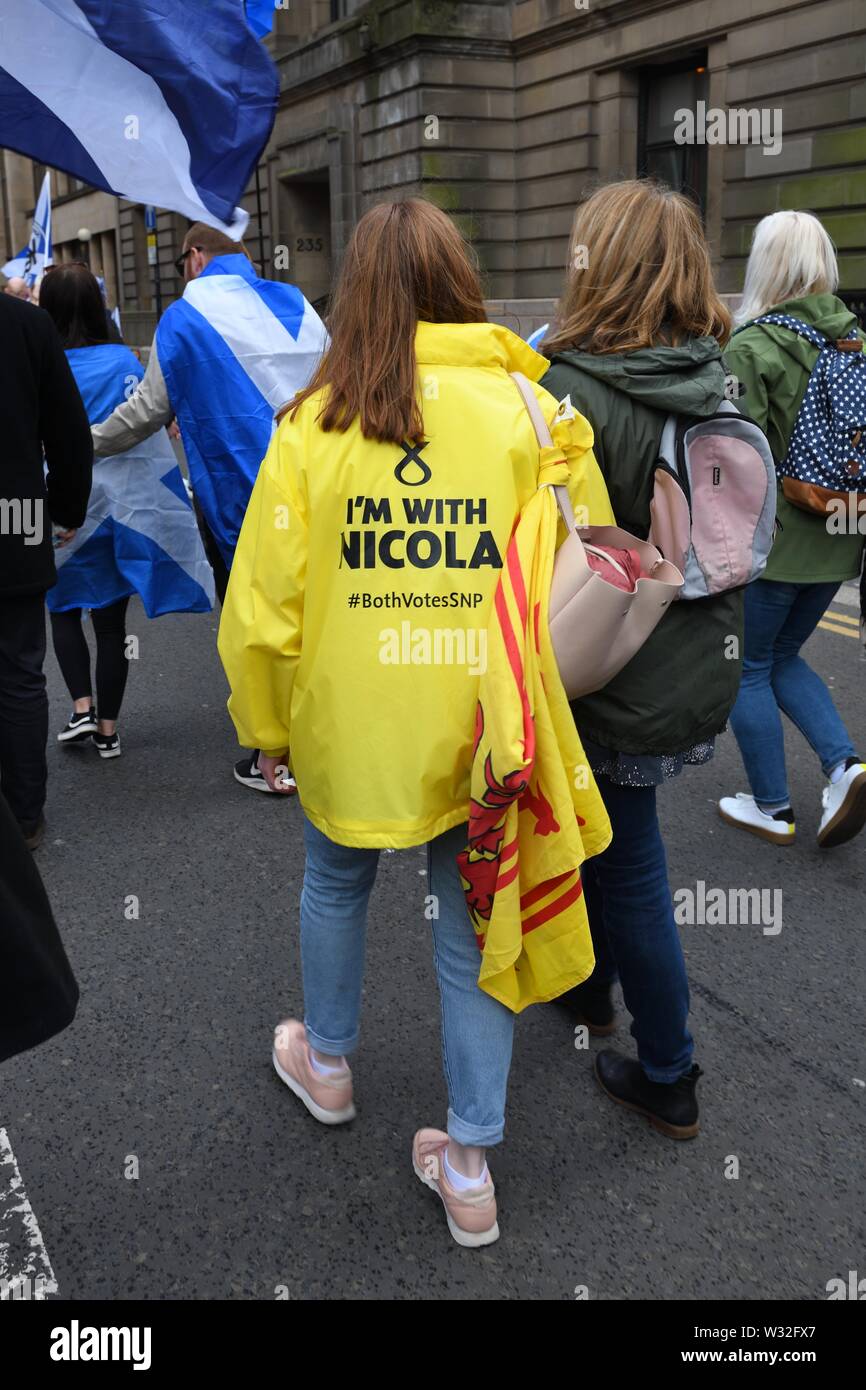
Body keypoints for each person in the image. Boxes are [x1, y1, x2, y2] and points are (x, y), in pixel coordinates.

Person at [218, 198, 613, 1246]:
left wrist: (264, 723)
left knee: (333, 880)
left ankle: (330, 1064)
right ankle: (470, 1161)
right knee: (478, 926)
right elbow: (587, 559)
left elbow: (263, 603)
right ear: (459, 279)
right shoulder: (532, 414)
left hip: (353, 721)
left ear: (357, 293)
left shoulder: (312, 423)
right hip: (490, 725)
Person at [539, 179, 741, 1140]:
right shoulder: (721, 374)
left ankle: (669, 1070)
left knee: (626, 860)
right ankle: (588, 988)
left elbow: (543, 546)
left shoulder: (570, 389)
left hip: (606, 663)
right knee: (612, 838)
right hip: (694, 655)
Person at [90, 223, 328, 791]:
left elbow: (147, 410)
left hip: (242, 497)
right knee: (317, 612)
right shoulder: (296, 303)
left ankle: (272, 752)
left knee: (254, 623)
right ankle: (323, 732)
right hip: (317, 487)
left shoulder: (184, 318)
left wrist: (83, 441)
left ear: (197, 256)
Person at [719, 211, 866, 848]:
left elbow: (727, 458)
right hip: (840, 537)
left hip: (772, 545)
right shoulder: (855, 342)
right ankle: (843, 767)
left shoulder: (751, 348)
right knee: (783, 656)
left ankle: (771, 805)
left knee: (746, 667)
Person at [39, 263, 215, 759]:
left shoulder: (44, 361)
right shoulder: (124, 362)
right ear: (98, 308)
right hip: (120, 513)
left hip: (61, 510)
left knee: (63, 609)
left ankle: (80, 708)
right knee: (112, 624)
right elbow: (146, 430)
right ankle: (110, 730)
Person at [0, 292, 92, 850]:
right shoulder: (28, 325)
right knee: (18, 672)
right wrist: (65, 507)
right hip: (16, 522)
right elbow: (68, 431)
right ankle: (24, 816)